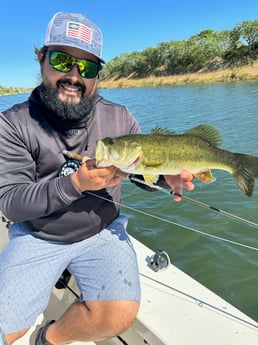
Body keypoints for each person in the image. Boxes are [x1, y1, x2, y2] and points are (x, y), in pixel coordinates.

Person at [0, 11, 194, 345]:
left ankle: (48, 338)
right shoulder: (13, 124)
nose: (74, 75)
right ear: (41, 58)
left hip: (102, 229)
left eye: (87, 67)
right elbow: (11, 202)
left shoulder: (119, 117)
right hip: (38, 234)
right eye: (62, 60)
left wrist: (165, 180)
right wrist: (75, 184)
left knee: (117, 315)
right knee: (6, 332)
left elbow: (138, 173)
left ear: (97, 74)